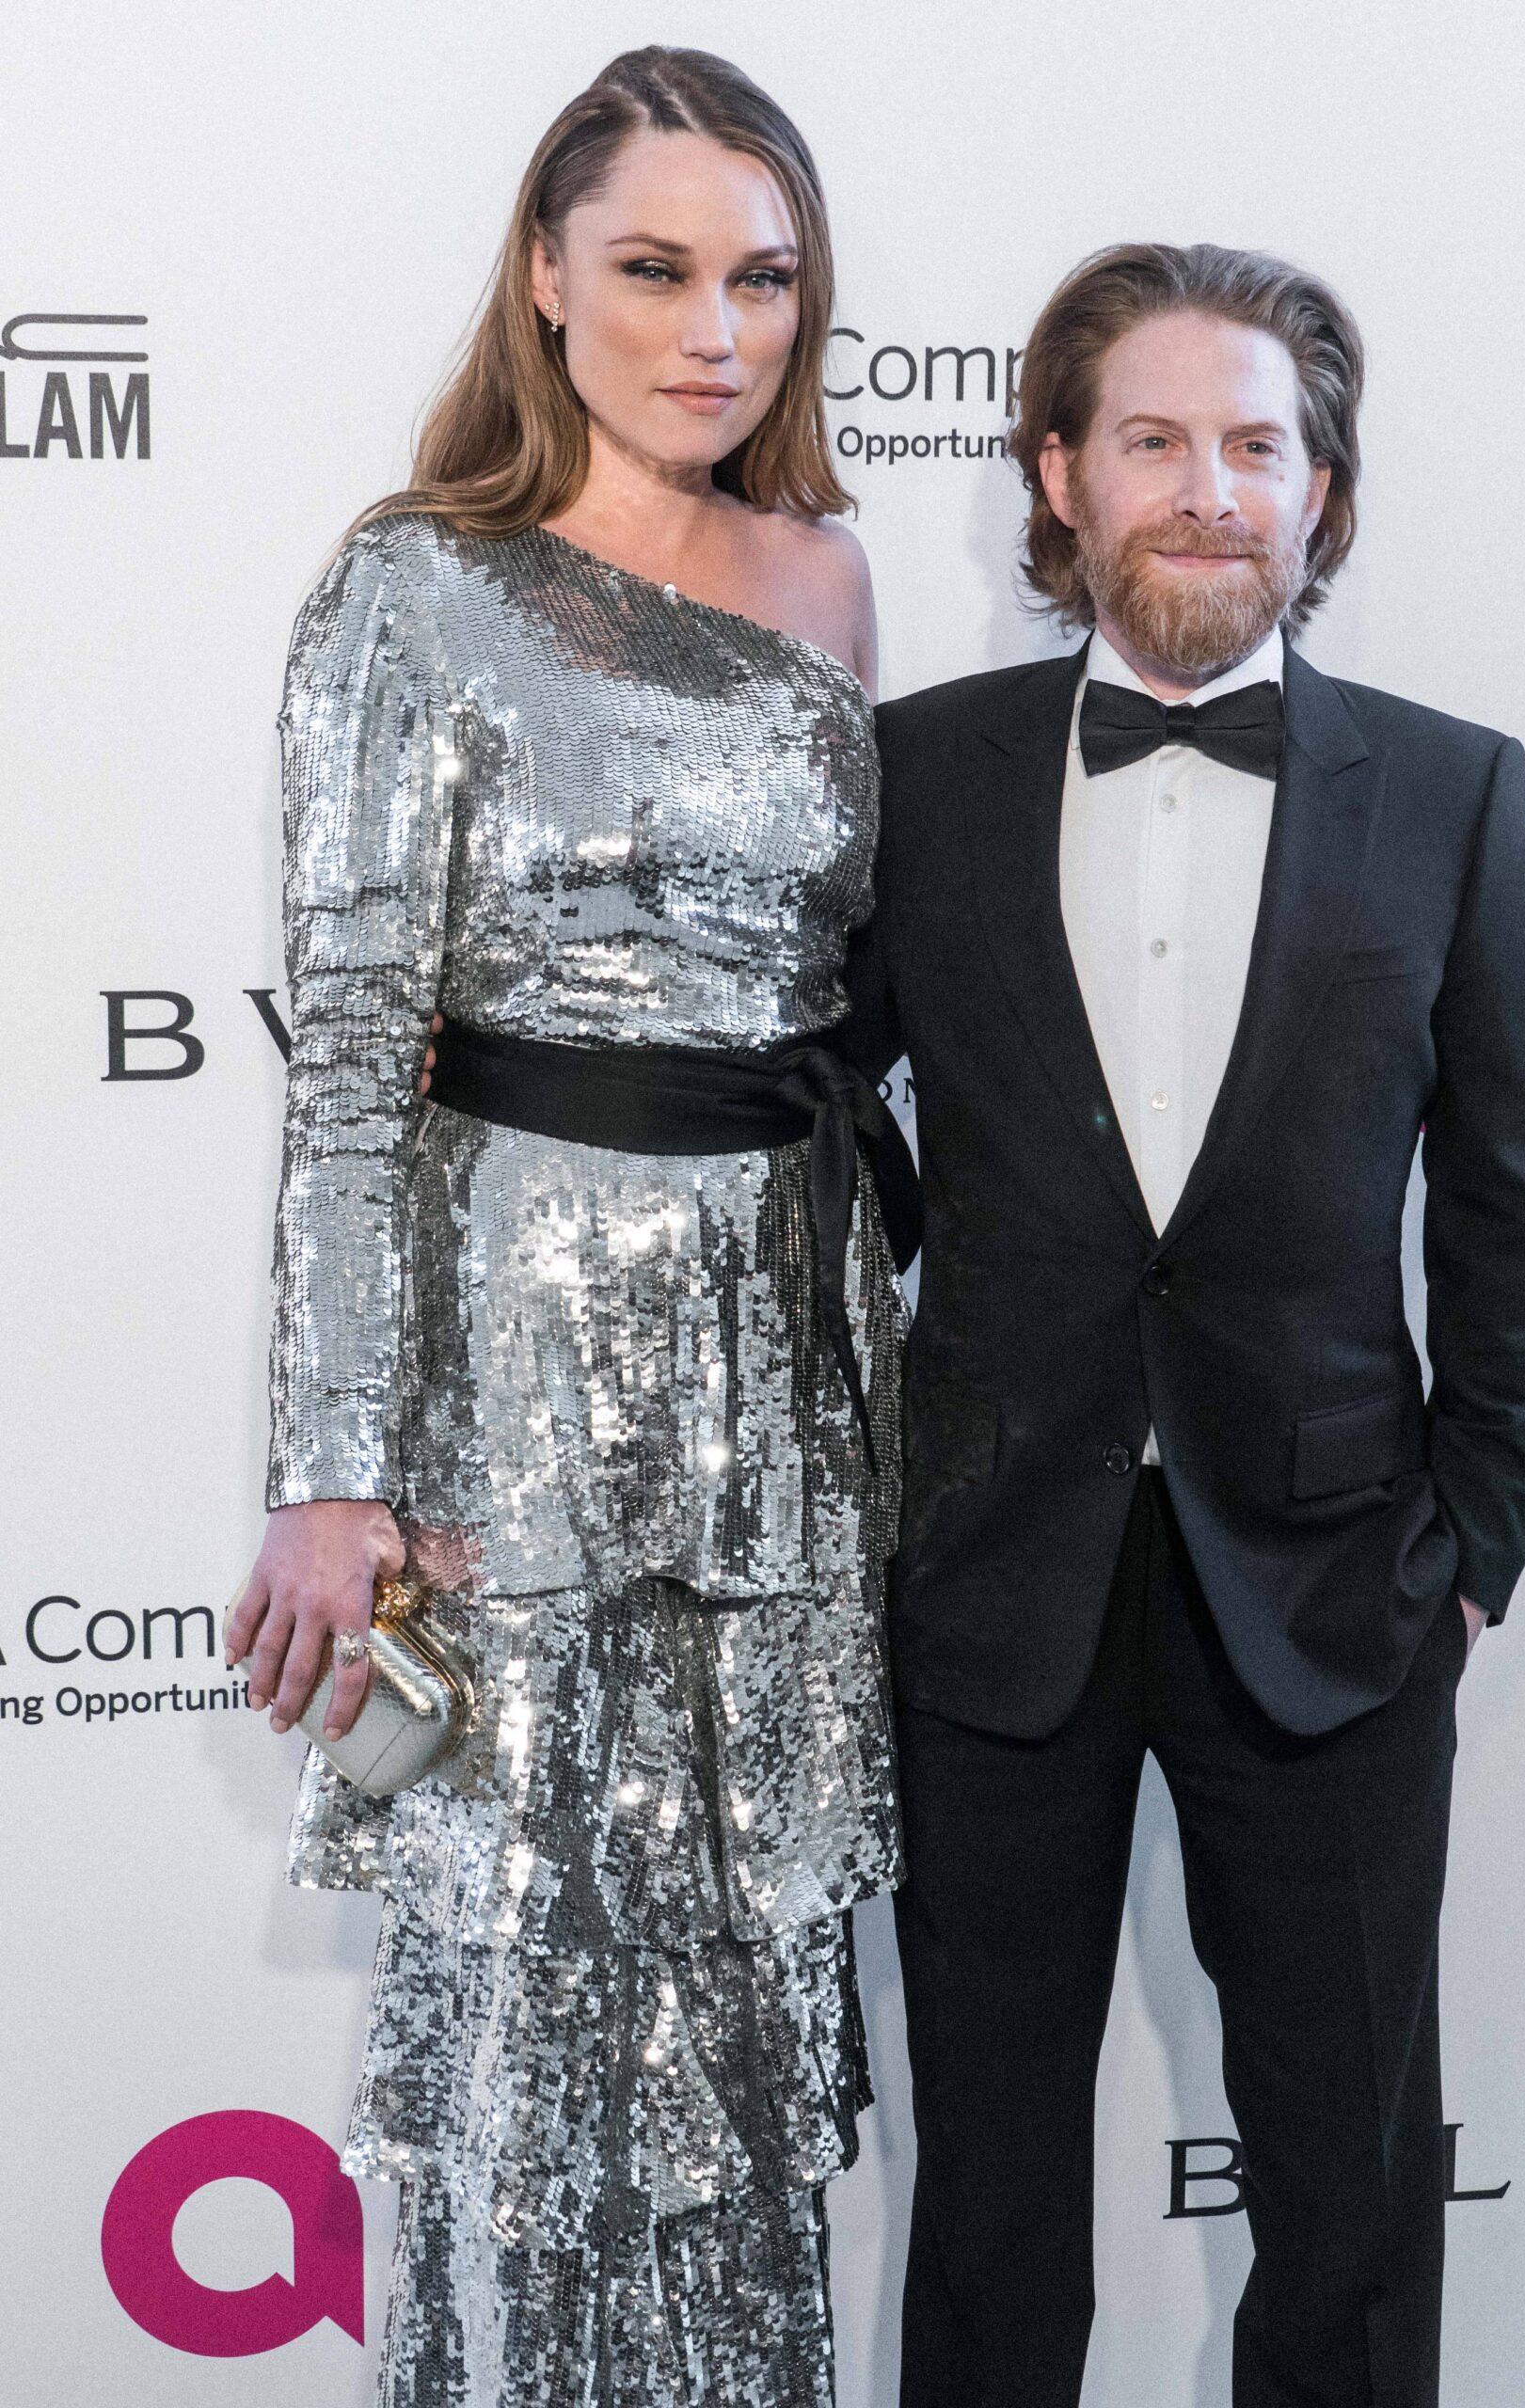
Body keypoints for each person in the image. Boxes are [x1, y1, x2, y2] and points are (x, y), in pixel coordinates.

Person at [223, 47, 914, 2408]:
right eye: (655, 268)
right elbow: (346, 1063)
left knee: (738, 1991)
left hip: (787, 1378)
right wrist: (333, 1465)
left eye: (763, 278)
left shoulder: (829, 578)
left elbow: (843, 999)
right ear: (545, 273)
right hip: (515, 1370)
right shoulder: (415, 582)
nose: (716, 327)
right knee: (535, 1991)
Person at [844, 244, 1525, 2406]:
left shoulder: (1452, 792)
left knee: (1347, 2200)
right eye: (1154, 438)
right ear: (1057, 475)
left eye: (1258, 445)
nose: (1208, 488)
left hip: (1346, 1581)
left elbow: (1520, 1220)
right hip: (987, 1575)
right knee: (985, 2188)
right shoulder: (919, 776)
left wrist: (1470, 1551)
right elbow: (815, 1130)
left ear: (1323, 496)